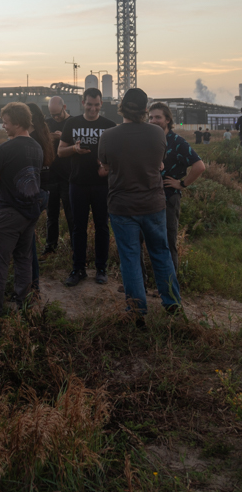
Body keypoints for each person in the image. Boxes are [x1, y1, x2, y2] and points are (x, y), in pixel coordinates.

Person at [98, 88, 181, 325]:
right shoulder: (157, 133)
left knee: (130, 258)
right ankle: (173, 303)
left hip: (122, 206)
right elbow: (159, 163)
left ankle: (136, 311)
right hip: (154, 204)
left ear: (121, 107)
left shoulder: (108, 136)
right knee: (161, 253)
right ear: (146, 109)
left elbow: (105, 166)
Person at [0, 103, 43, 332]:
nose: (3, 126)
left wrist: (7, 180)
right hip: (30, 213)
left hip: (9, 214)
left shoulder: (5, 149)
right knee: (23, 260)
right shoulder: (37, 147)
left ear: (18, 123)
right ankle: (23, 306)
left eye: (6, 122)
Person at [58, 88, 115, 286]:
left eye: (96, 105)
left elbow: (116, 156)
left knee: (102, 227)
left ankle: (101, 269)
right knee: (78, 227)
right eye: (89, 104)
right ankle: (78, 269)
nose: (93, 108)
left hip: (102, 185)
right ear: (83, 103)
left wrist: (106, 167)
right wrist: (74, 148)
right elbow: (60, 152)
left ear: (101, 104)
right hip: (78, 183)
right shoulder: (72, 123)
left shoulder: (109, 126)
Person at [149, 102, 205, 273]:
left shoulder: (177, 142)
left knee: (167, 241)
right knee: (143, 239)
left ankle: (170, 285)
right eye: (150, 117)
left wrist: (181, 184)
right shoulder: (148, 139)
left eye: (158, 117)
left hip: (168, 198)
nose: (153, 120)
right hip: (146, 197)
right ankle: (142, 281)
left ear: (167, 119)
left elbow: (199, 166)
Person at [27, 102, 55, 291]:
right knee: (28, 240)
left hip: (34, 193)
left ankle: (32, 286)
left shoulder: (31, 139)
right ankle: (32, 284)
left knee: (27, 243)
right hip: (44, 191)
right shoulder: (43, 132)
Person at [42, 95, 74, 254]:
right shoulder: (47, 123)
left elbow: (79, 143)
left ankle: (76, 247)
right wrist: (51, 137)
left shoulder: (73, 122)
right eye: (52, 114)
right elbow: (40, 140)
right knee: (51, 215)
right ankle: (50, 246)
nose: (55, 117)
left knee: (71, 215)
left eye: (57, 114)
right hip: (51, 176)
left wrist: (62, 137)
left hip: (69, 176)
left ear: (64, 107)